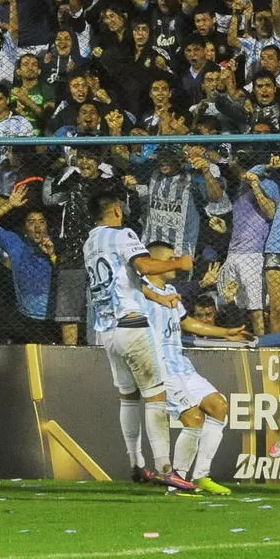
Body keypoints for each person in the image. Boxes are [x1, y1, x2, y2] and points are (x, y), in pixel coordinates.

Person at [82, 190, 196, 491]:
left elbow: (126, 280)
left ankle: (136, 463)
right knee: (155, 396)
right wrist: (179, 264)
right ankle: (165, 468)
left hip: (106, 331)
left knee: (128, 396)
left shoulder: (90, 243)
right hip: (131, 325)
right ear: (116, 211)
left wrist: (159, 296)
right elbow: (144, 267)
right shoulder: (123, 235)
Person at [142, 244, 250, 495]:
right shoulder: (140, 295)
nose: (175, 263)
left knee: (218, 406)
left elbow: (187, 322)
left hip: (180, 364)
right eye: (170, 259)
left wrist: (226, 334)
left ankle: (201, 476)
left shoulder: (169, 291)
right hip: (159, 367)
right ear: (155, 263)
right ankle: (176, 480)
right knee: (193, 418)